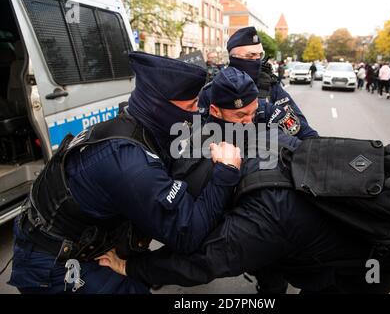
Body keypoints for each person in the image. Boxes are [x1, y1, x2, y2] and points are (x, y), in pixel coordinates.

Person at [96, 72, 390, 293]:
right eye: (238, 118)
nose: (247, 122)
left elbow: (210, 259)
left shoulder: (265, 207)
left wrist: (132, 268)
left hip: (368, 265)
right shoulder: (261, 140)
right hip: (311, 237)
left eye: (251, 113)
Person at [7, 52, 242, 294]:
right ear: (160, 106)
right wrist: (227, 171)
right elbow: (187, 232)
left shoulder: (139, 126)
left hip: (80, 240)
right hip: (55, 263)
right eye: (191, 106)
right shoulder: (130, 162)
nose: (196, 113)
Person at [198, 27, 318, 141]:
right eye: (251, 55)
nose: (257, 60)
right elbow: (198, 137)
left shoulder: (269, 85)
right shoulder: (212, 91)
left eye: (260, 55)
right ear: (233, 57)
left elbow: (301, 130)